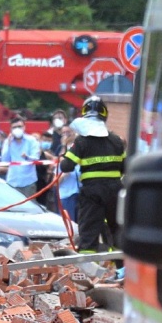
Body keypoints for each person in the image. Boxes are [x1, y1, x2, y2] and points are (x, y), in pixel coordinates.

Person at [61, 97, 125, 252]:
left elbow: (66, 166)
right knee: (116, 231)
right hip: (115, 192)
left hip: (92, 194)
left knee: (89, 232)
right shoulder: (116, 141)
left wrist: (68, 150)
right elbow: (125, 167)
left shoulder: (83, 141)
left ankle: (88, 272)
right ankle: (120, 269)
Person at [0, 118, 43, 198]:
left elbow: (36, 158)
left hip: (28, 181)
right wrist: (8, 144)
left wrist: (27, 157)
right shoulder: (7, 141)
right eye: (14, 127)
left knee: (29, 207)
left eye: (19, 126)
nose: (17, 129)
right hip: (12, 180)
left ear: (24, 127)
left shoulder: (31, 140)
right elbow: (4, 161)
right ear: (11, 129)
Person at [56, 124, 80, 224]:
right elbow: (55, 182)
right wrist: (65, 173)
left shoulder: (81, 161)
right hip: (66, 197)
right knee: (69, 225)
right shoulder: (62, 161)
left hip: (80, 195)